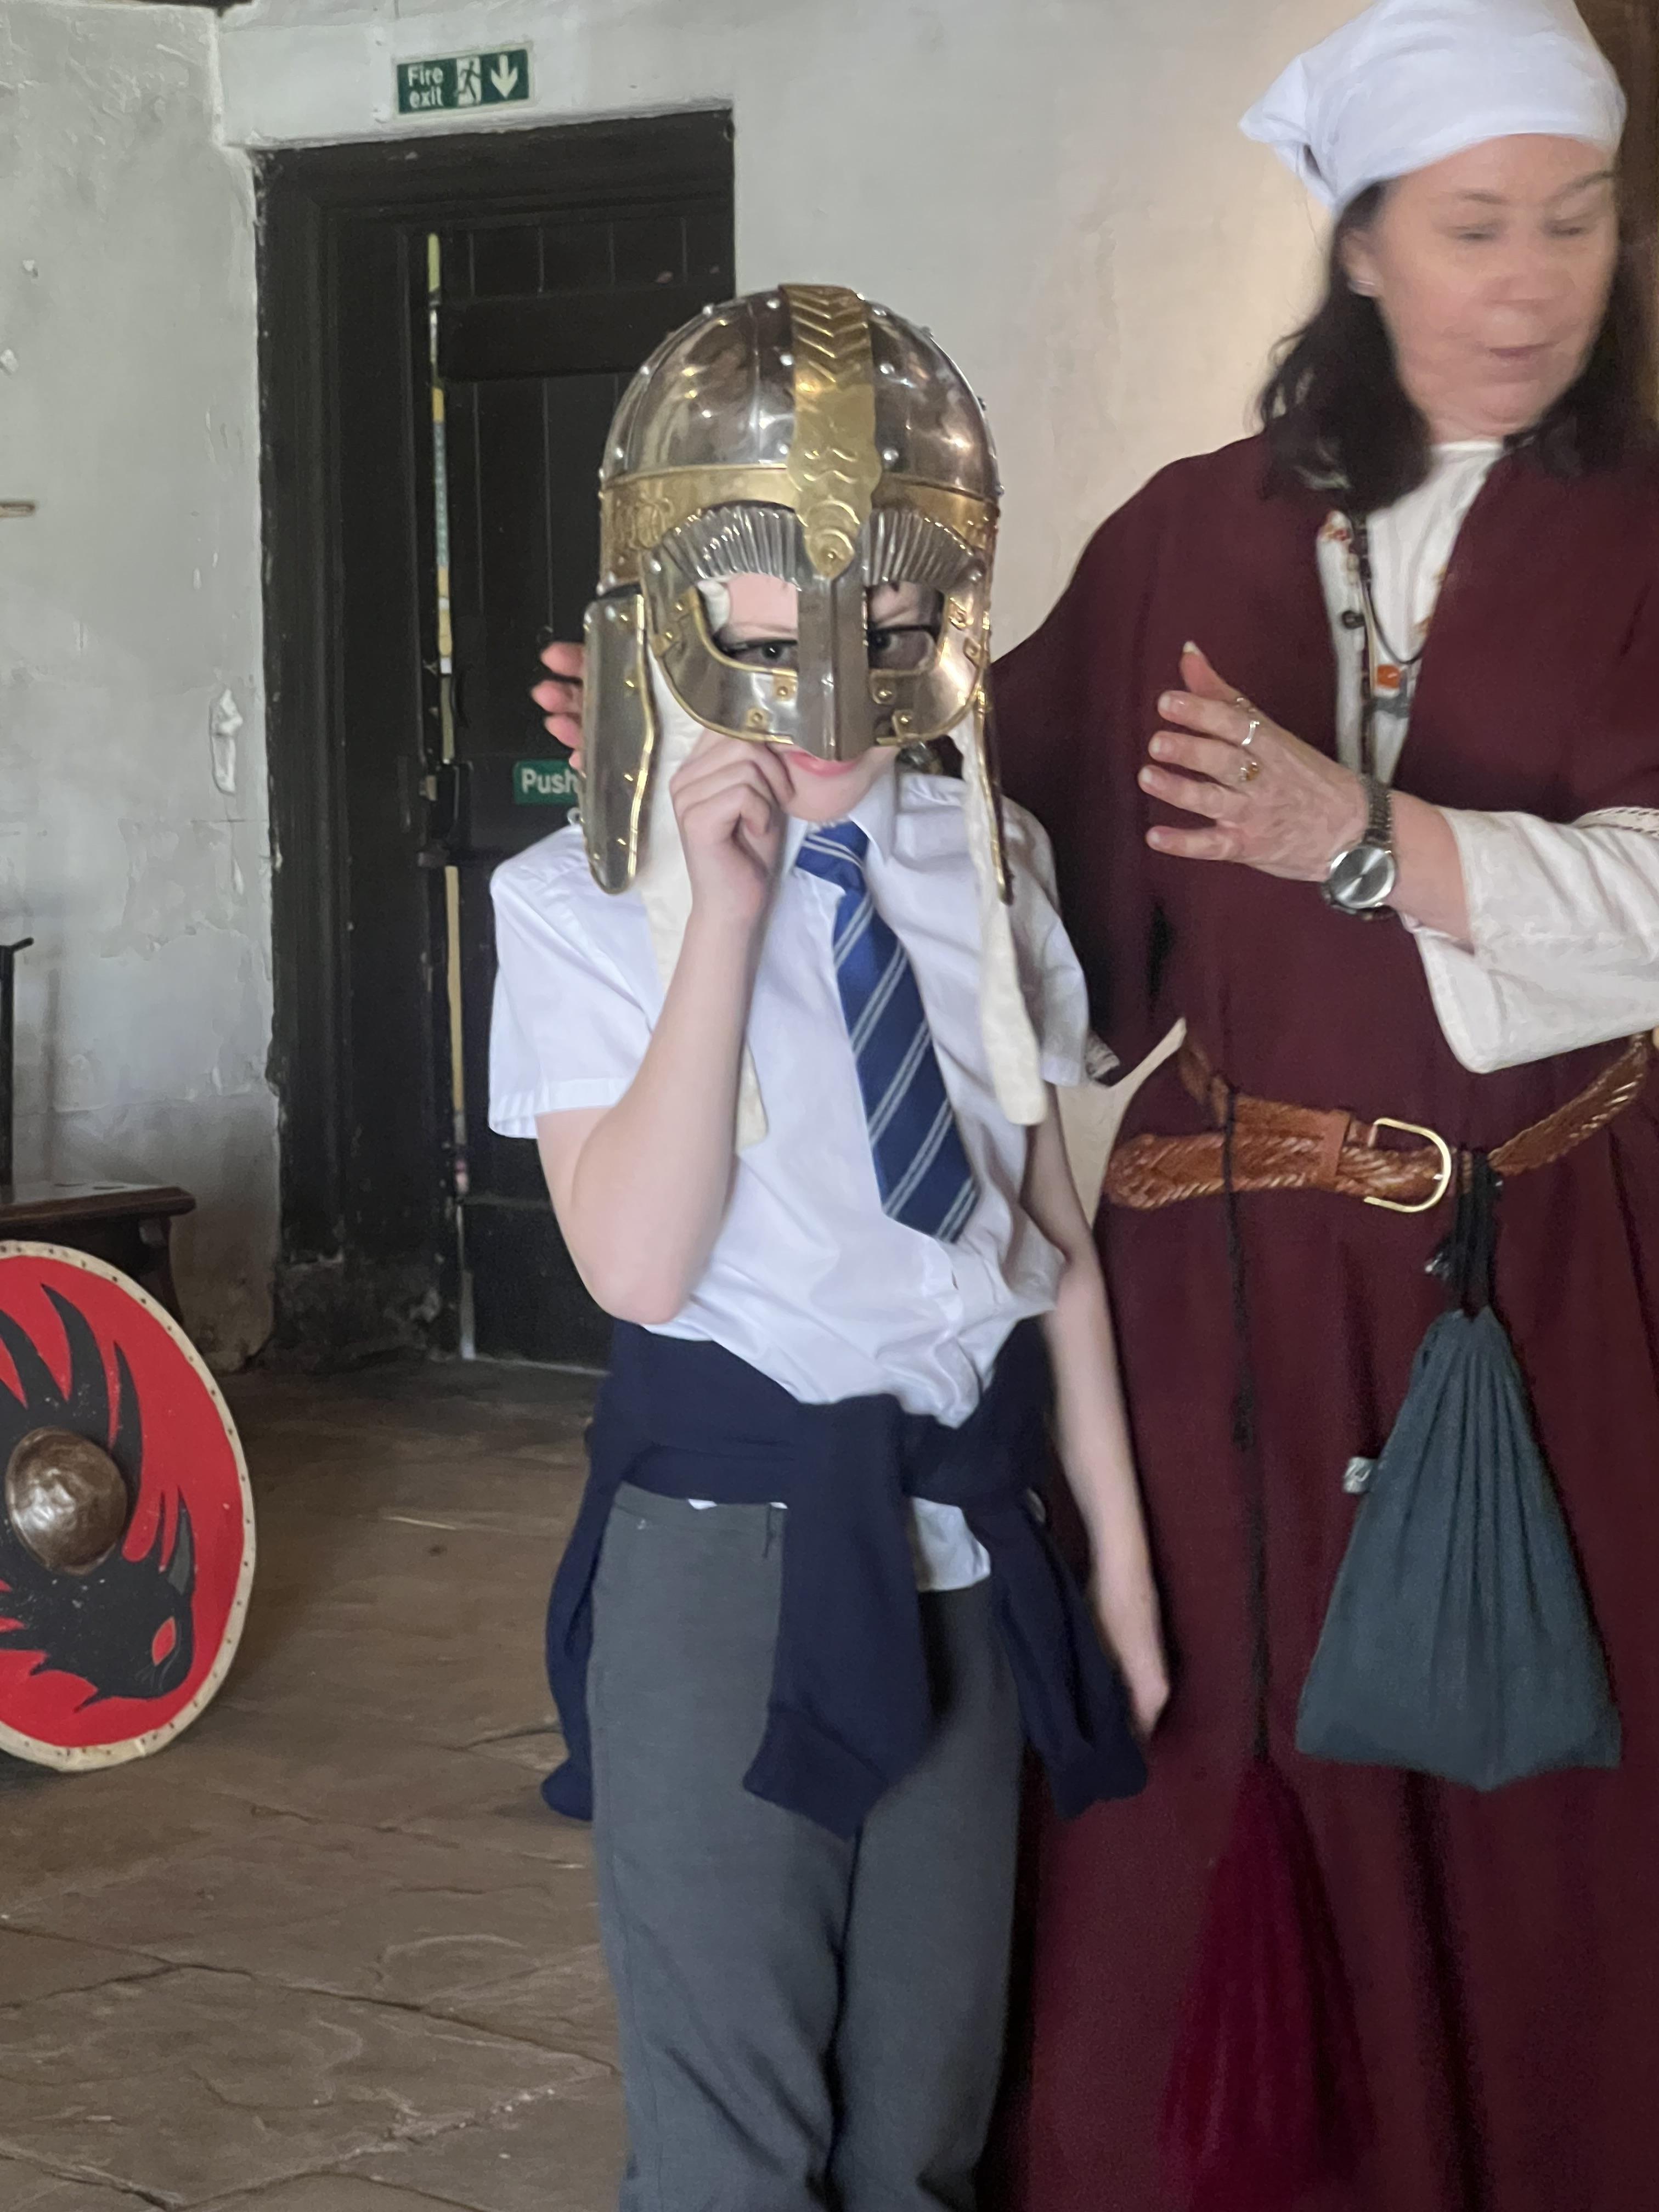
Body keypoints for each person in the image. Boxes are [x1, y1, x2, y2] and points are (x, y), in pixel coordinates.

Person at [978, 2, 1659, 2208]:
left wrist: (1370, 843)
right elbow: (999, 857)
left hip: (1548, 1292)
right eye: (1477, 226)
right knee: (1206, 1777)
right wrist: (740, 719)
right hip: (1228, 1327)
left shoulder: (1648, 535)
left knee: (1549, 1826)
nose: (1535, 279)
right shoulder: (1188, 536)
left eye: (1578, 221)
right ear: (1361, 244)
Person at [493, 286, 1163, 2212]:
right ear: (669, 611)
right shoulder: (577, 902)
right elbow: (637, 1270)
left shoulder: (992, 862)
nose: (831, 708)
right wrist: (721, 921)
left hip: (964, 1539)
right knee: (735, 2155)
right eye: (771, 640)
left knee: (923, 2139)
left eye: (883, 632)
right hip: (723, 1557)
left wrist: (1119, 1579)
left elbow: (1047, 1242)